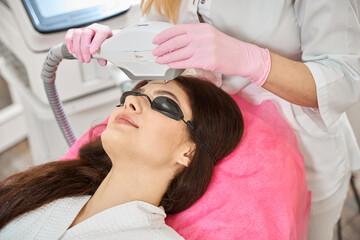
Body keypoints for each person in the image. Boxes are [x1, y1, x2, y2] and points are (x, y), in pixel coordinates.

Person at [64, 1, 360, 239]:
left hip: (301, 154)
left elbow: (345, 76)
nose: (130, 101)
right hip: (200, 138)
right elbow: (156, 29)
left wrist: (254, 61)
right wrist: (119, 43)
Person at [0, 76, 244, 239]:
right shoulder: (49, 191)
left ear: (188, 152)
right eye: (130, 94)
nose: (130, 100)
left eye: (163, 103)